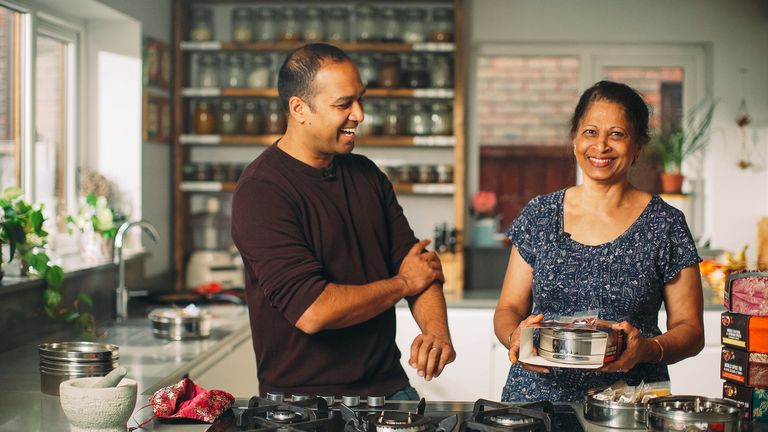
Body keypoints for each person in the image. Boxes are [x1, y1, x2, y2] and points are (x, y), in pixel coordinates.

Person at [231, 43, 455, 399]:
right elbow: (313, 310)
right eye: (343, 104)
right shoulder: (261, 191)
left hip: (390, 390)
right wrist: (402, 284)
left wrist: (437, 332)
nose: (360, 115)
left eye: (360, 99)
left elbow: (421, 267)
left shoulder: (367, 174)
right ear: (299, 109)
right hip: (304, 404)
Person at [493, 80, 705, 402]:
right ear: (575, 139)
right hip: (536, 399)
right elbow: (508, 308)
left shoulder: (666, 224)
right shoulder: (540, 214)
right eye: (590, 132)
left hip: (629, 403)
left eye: (617, 134)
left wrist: (646, 349)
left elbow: (691, 330)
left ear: (637, 146)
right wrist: (514, 336)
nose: (601, 146)